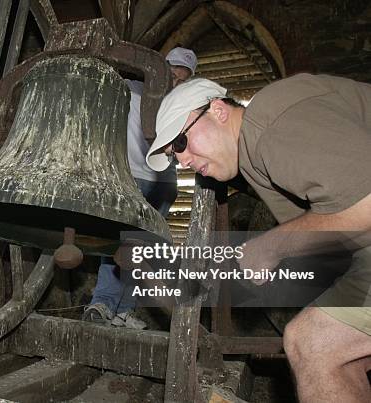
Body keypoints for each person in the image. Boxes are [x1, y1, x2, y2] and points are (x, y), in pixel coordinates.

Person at [146, 74, 371, 402]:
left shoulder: (269, 122)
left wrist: (271, 247)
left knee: (312, 344)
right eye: (173, 155)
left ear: (219, 111)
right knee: (338, 355)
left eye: (180, 142)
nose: (182, 160)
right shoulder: (255, 157)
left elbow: (365, 205)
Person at [82, 47, 198, 329]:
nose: (175, 83)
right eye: (170, 75)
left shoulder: (185, 106)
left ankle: (125, 310)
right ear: (156, 69)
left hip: (162, 183)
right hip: (129, 176)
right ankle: (104, 303)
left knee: (143, 247)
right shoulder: (129, 89)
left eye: (183, 80)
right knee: (117, 240)